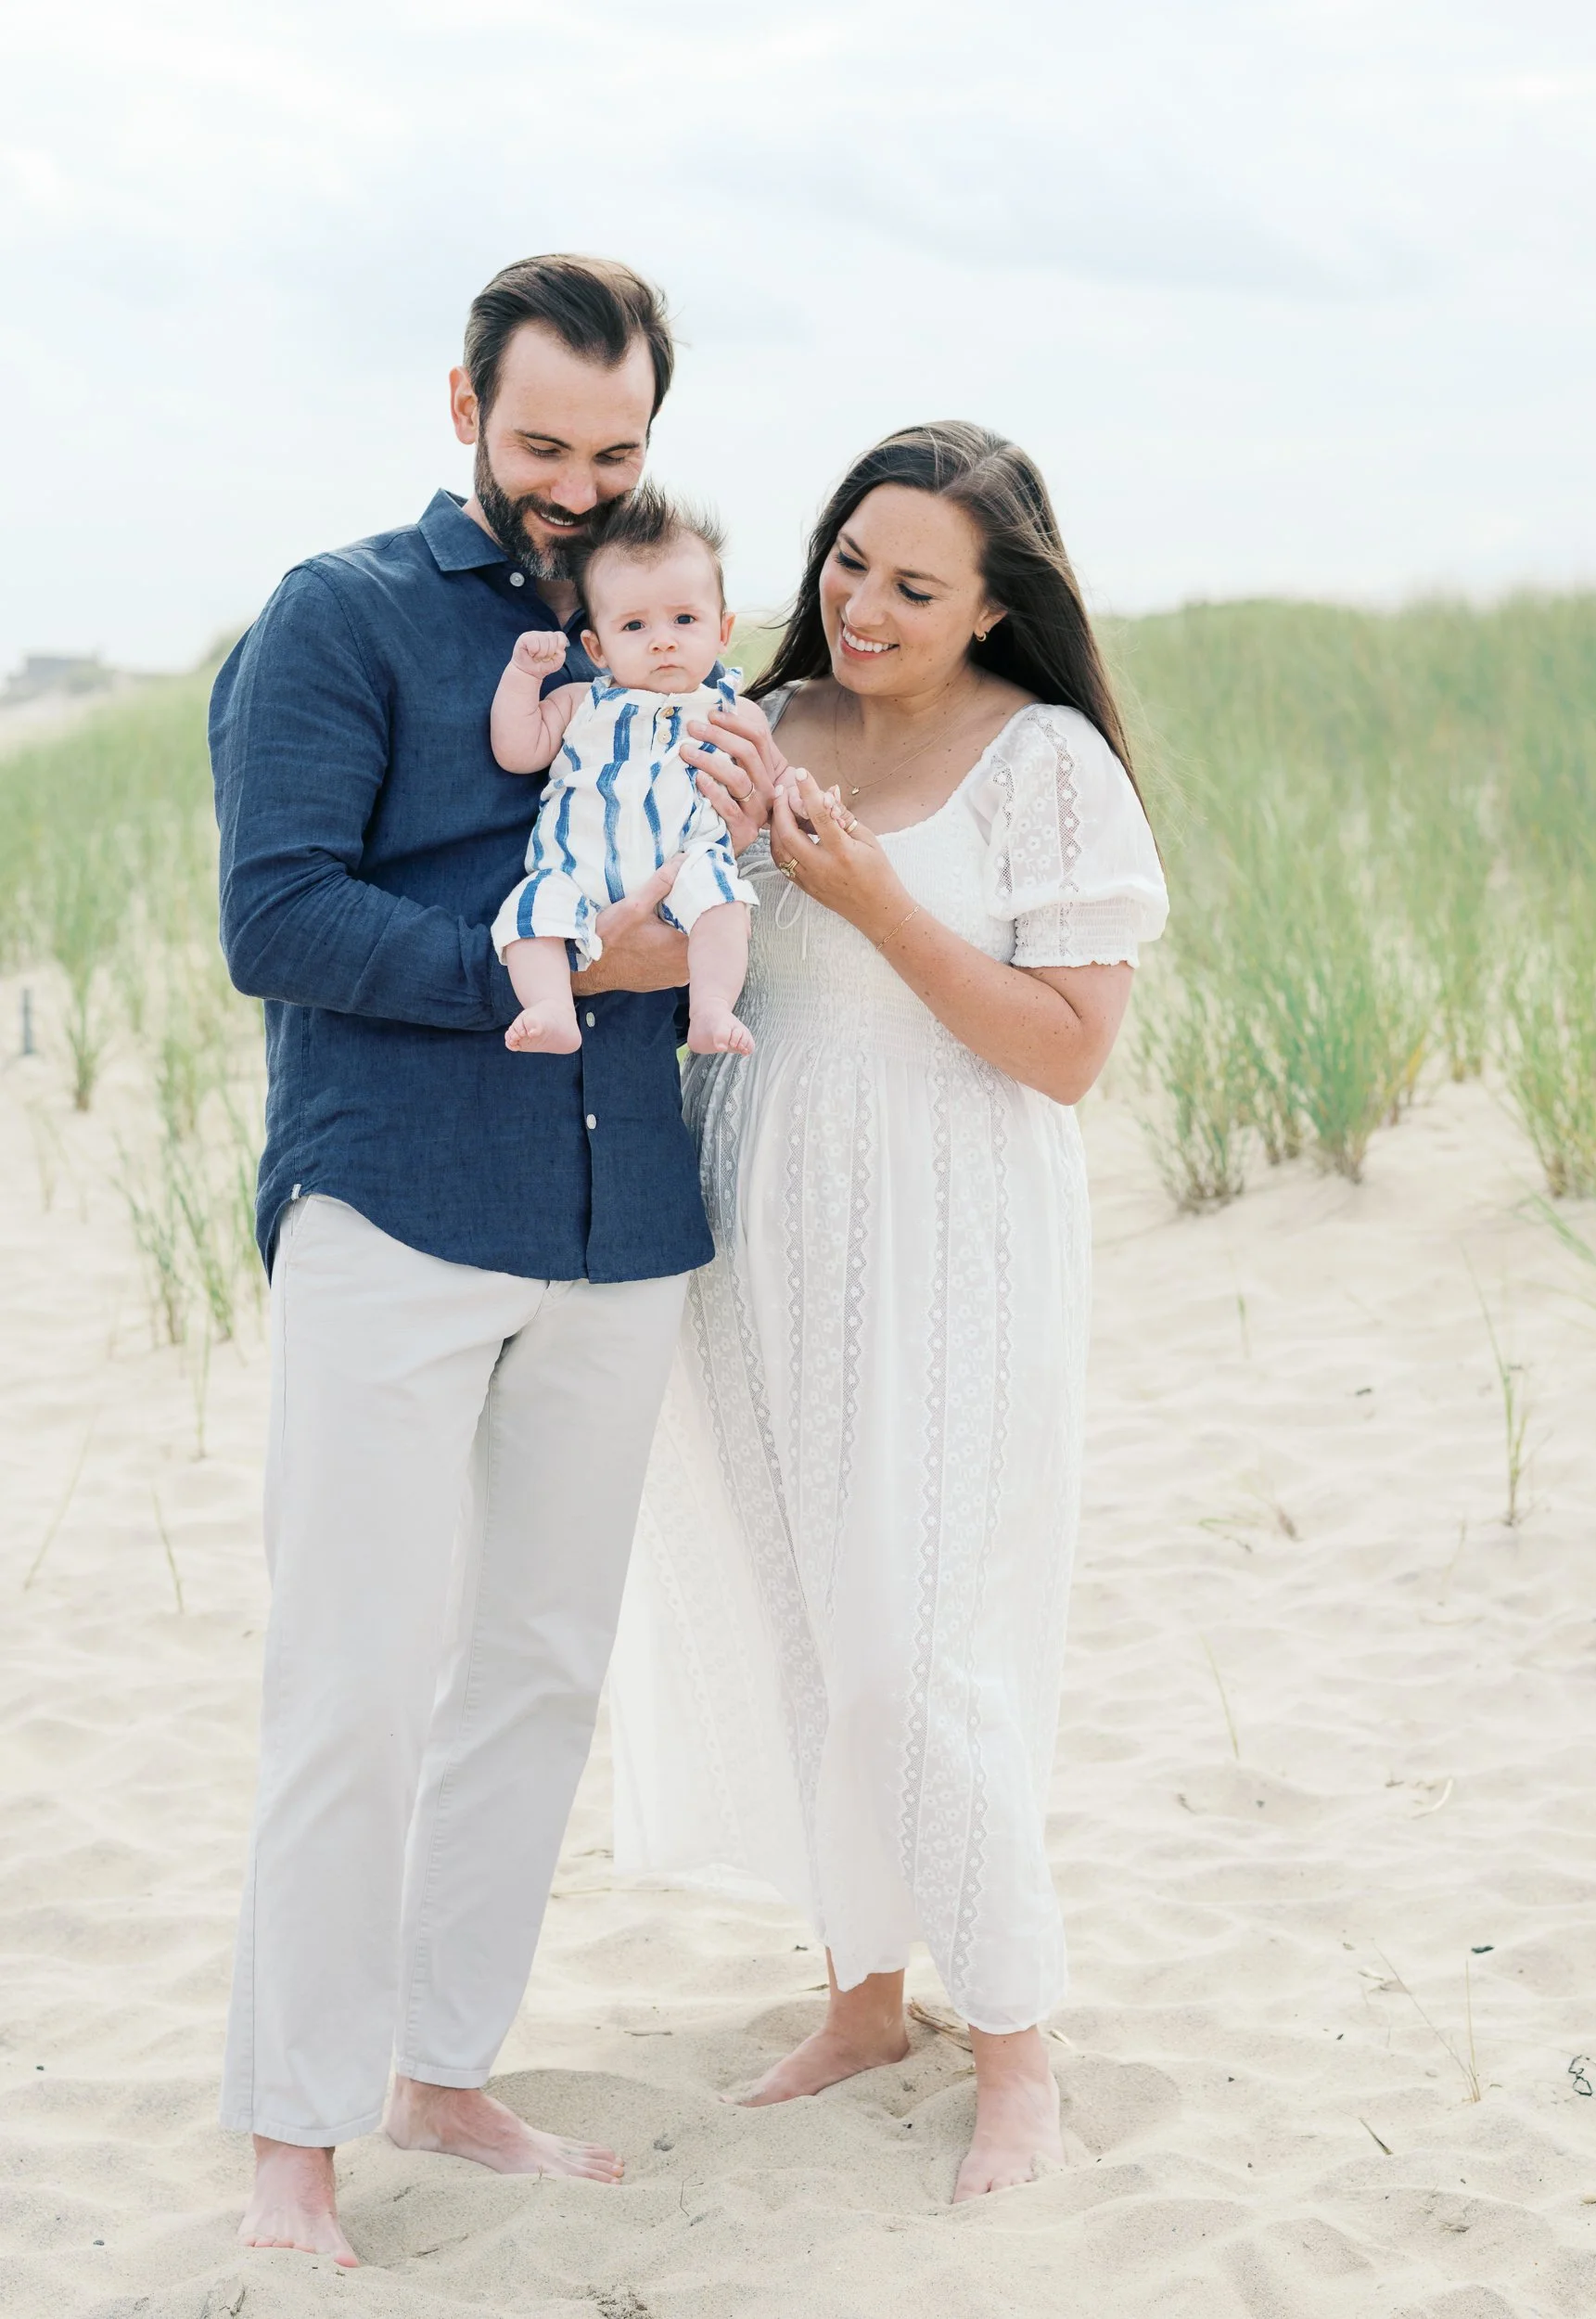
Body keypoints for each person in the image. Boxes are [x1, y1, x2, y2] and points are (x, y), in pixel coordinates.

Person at [208, 253, 757, 2268]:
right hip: (396, 1204)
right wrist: (543, 968)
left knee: (536, 1664)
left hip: (622, 1233)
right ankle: (292, 2139)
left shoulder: (671, 617)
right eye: (539, 443)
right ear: (461, 412)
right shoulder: (336, 615)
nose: (571, 482)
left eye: (611, 448)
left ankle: (443, 2063)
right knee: (349, 1675)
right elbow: (275, 916)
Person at [609, 421, 1170, 2200]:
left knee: (918, 1641)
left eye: (915, 587)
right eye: (850, 561)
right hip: (759, 1207)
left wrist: (863, 897)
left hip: (955, 1211)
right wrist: (675, 851)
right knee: (803, 1618)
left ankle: (1015, 2047)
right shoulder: (762, 726)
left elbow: (1069, 1054)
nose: (861, 605)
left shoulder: (1047, 760)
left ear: (998, 607)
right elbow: (649, 938)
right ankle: (859, 1998)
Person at [489, 488, 756, 1059]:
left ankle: (711, 1007)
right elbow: (517, 749)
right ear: (597, 646)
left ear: (723, 631)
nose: (663, 639)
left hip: (684, 864)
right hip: (576, 874)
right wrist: (523, 677)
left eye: (685, 619)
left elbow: (774, 786)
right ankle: (553, 1008)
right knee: (530, 913)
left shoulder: (732, 710)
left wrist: (780, 802)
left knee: (723, 898)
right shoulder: (580, 701)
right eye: (634, 626)